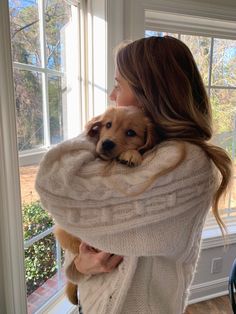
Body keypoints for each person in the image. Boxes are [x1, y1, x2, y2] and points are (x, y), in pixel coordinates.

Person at [35, 36, 232, 314]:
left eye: (118, 86)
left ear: (151, 93)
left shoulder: (186, 161)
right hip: (91, 302)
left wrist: (99, 128)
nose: (112, 97)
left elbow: (55, 184)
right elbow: (83, 227)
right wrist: (79, 266)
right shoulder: (148, 148)